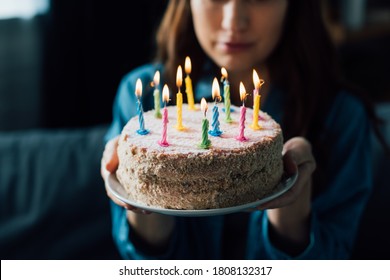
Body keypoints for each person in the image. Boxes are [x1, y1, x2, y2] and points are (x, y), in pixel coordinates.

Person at [101, 0, 380, 259]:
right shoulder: (144, 97)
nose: (234, 21)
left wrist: (292, 213)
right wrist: (145, 189)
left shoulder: (341, 116)